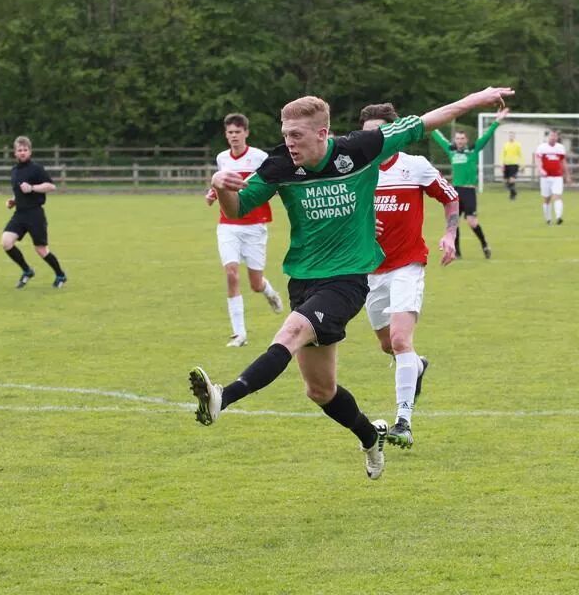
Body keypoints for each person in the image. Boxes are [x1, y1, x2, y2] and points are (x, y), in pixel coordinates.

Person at [190, 86, 514, 481]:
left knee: (291, 332)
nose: (288, 142)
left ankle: (224, 396)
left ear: (323, 133)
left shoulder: (360, 149)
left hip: (347, 280)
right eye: (285, 133)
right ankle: (369, 436)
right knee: (320, 391)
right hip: (304, 279)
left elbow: (428, 120)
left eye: (297, 135)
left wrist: (476, 99)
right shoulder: (278, 165)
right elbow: (238, 208)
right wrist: (222, 186)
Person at [359, 102, 460, 449]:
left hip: (408, 265)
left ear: (393, 133)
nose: (373, 139)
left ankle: (404, 421)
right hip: (369, 272)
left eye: (380, 132)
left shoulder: (414, 167)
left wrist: (450, 234)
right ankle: (417, 365)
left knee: (401, 340)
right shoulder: (356, 171)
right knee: (388, 345)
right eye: (368, 133)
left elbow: (450, 197)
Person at [206, 113, 283, 348]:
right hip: (228, 225)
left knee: (255, 283)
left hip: (254, 226)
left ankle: (269, 293)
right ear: (226, 135)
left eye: (238, 132)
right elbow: (222, 185)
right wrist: (213, 192)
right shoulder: (222, 158)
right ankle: (239, 334)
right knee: (231, 273)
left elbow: (270, 182)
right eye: (230, 132)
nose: (234, 136)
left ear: (246, 133)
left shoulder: (259, 157)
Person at [430, 110, 506, 258]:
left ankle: (484, 244)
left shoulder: (473, 150)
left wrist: (497, 121)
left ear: (466, 140)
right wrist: (429, 122)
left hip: (469, 191)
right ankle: (457, 252)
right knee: (454, 222)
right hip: (455, 191)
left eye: (462, 138)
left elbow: (486, 136)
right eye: (457, 138)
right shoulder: (451, 150)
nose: (459, 140)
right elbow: (437, 136)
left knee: (472, 222)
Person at [0, 136, 67, 289]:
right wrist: (13, 201)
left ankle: (60, 274)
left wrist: (33, 188)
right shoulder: (14, 171)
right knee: (6, 241)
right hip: (20, 214)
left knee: (41, 250)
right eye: (19, 150)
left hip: (35, 214)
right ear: (15, 153)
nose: (22, 153)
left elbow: (51, 186)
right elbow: (19, 192)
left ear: (30, 152)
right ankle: (27, 270)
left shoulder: (36, 169)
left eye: (25, 150)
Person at [534, 130, 571, 225]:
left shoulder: (560, 148)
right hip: (545, 177)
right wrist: (540, 169)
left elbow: (563, 162)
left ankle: (559, 217)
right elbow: (537, 159)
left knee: (557, 196)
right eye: (551, 135)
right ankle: (548, 219)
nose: (553, 137)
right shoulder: (542, 147)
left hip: (557, 176)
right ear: (548, 137)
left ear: (557, 137)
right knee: (547, 199)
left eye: (555, 136)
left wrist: (567, 175)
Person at [501, 131, 523, 200]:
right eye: (510, 136)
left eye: (512, 136)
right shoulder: (506, 145)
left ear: (514, 137)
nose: (511, 137)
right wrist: (502, 164)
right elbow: (503, 155)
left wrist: (522, 165)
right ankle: (514, 192)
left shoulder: (517, 145)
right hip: (506, 164)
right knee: (506, 181)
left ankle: (512, 195)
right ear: (509, 136)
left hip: (514, 164)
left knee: (511, 180)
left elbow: (520, 155)